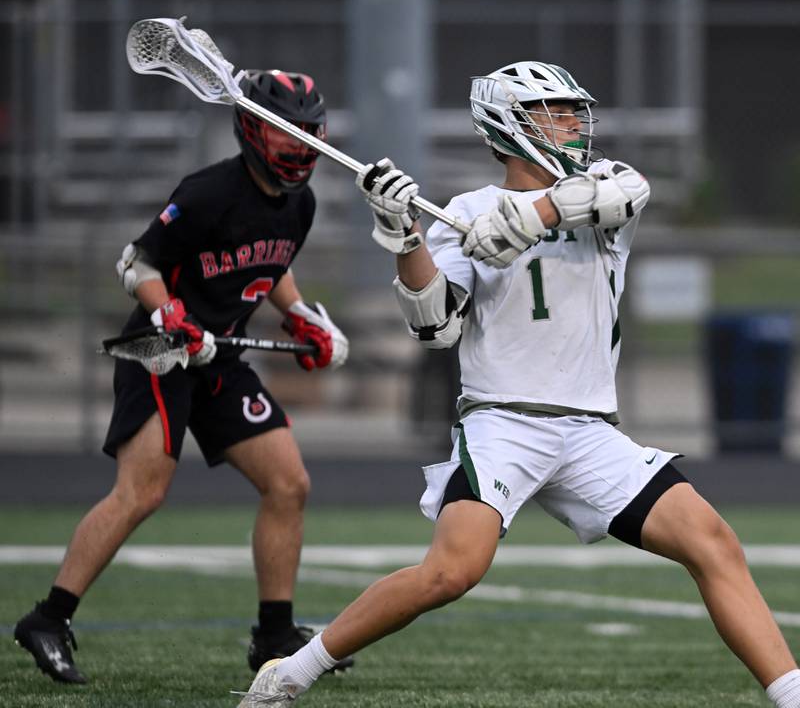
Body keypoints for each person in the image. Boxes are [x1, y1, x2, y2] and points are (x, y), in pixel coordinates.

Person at [233, 61, 800, 707]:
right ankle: (291, 671)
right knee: (451, 571)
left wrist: (532, 216)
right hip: (503, 422)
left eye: (570, 111)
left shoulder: (600, 189)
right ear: (508, 126)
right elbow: (435, 322)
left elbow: (627, 190)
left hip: (589, 432)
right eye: (551, 113)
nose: (571, 125)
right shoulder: (465, 213)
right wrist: (402, 234)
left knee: (713, 540)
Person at [13, 69, 355, 684]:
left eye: (308, 134)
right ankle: (48, 618)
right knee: (143, 491)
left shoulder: (299, 204)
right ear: (253, 132)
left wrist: (301, 317)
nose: (300, 147)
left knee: (288, 483)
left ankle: (274, 632)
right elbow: (137, 263)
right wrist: (171, 314)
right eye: (286, 134)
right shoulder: (208, 192)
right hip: (161, 353)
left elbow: (270, 263)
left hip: (218, 360)